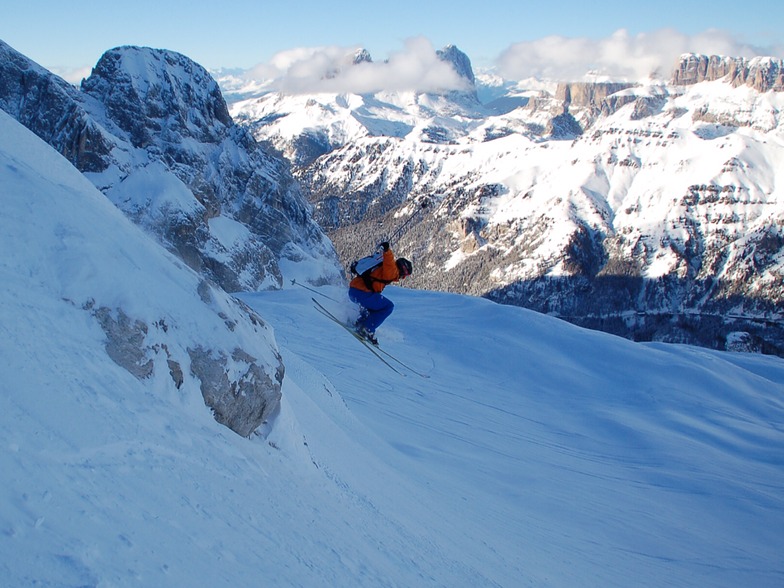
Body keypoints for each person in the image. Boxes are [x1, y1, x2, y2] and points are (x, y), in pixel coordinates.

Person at [348, 242, 413, 345]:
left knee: (374, 307)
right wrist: (387, 250)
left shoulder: (384, 267)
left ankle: (360, 323)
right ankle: (366, 329)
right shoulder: (392, 270)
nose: (402, 278)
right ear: (403, 270)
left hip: (354, 291)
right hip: (361, 293)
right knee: (388, 306)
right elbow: (390, 261)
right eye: (405, 275)